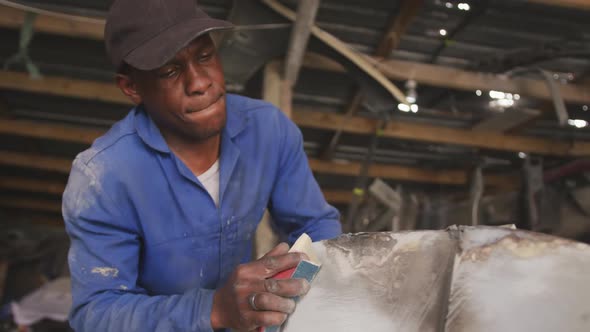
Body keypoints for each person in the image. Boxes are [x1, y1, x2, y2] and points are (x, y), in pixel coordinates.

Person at [61, 0, 342, 331]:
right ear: (132, 87)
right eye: (170, 71)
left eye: (205, 56)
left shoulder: (268, 131)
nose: (199, 83)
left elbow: (317, 227)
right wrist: (213, 309)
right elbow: (96, 313)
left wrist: (301, 288)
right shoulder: (102, 178)